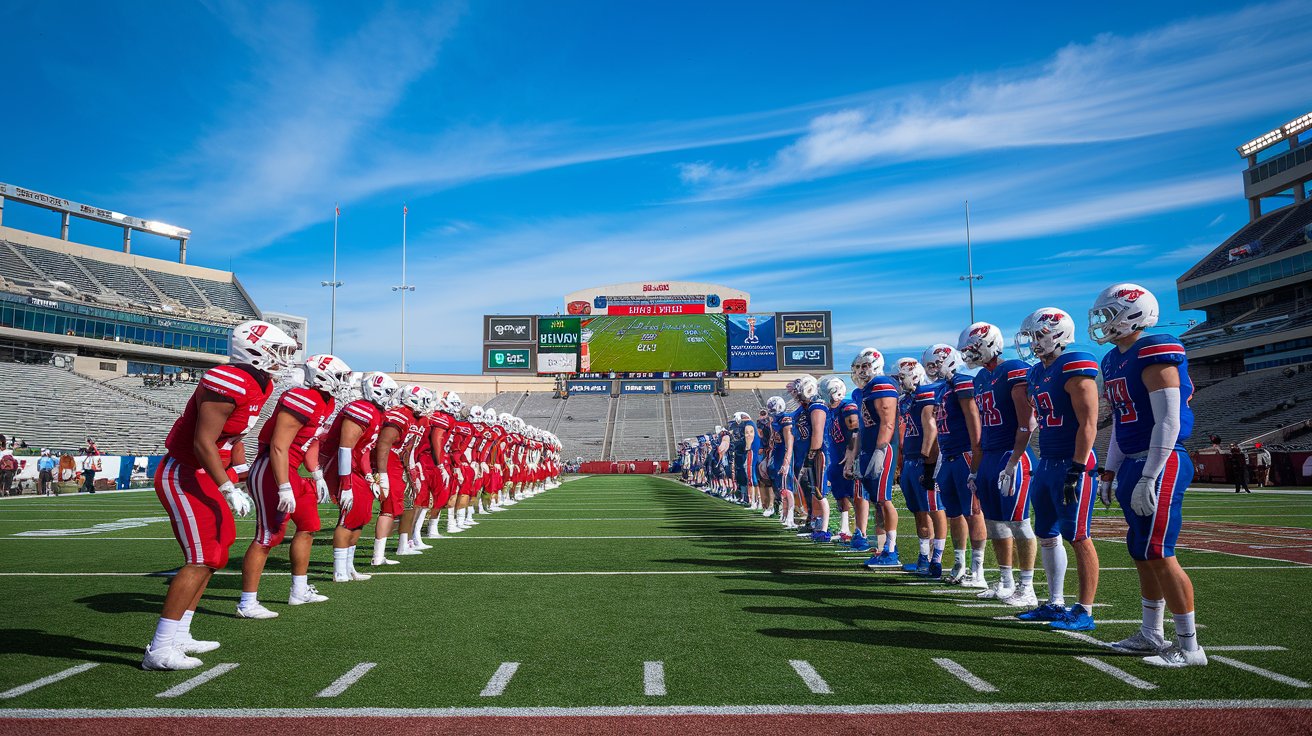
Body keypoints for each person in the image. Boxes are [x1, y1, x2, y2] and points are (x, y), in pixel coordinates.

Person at [142, 319, 297, 671]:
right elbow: (202, 442)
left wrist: (239, 475)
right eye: (280, 350)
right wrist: (227, 487)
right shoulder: (228, 380)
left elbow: (236, 435)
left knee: (217, 550)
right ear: (254, 349)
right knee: (201, 556)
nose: (284, 358)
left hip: (209, 472)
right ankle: (159, 648)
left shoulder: (262, 382)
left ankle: (180, 633)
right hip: (185, 472)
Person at [1090, 283, 1206, 667]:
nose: (1103, 322)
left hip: (1162, 458)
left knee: (1158, 550)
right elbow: (1125, 422)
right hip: (1135, 458)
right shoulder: (1111, 360)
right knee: (1141, 551)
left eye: (1109, 314)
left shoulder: (1155, 348)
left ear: (1133, 312)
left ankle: (1190, 648)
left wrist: (1149, 474)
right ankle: (1151, 633)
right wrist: (1110, 471)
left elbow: (1168, 420)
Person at [238, 354, 352, 619]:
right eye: (341, 376)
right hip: (273, 468)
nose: (344, 382)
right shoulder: (302, 397)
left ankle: (298, 590)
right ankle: (247, 603)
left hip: (293, 469)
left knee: (309, 525)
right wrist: (283, 486)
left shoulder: (326, 400)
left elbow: (310, 440)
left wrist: (317, 472)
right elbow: (279, 445)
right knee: (268, 536)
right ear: (323, 375)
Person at [1014, 308, 1101, 631]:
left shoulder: (1076, 363)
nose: (1034, 342)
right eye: (1032, 336)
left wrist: (1077, 468)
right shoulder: (1036, 373)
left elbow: (1088, 422)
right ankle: (1055, 601)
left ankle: (1085, 609)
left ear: (1058, 333)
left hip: (1070, 462)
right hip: (1047, 461)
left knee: (1078, 536)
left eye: (1039, 335)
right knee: (1047, 534)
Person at [959, 322, 1038, 607]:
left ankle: (1027, 587)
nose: (968, 354)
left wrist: (1014, 461)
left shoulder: (1013, 370)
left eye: (971, 348)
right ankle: (1006, 581)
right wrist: (976, 468)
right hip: (990, 454)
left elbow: (1026, 423)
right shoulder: (981, 377)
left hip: (1010, 454)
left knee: (1019, 522)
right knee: (995, 523)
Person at [322, 371, 398, 582]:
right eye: (389, 393)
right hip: (343, 470)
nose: (391, 398)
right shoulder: (361, 409)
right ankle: (339, 570)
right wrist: (346, 484)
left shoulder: (375, 412)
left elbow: (363, 450)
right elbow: (345, 449)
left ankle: (349, 566)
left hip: (357, 471)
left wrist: (368, 477)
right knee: (347, 518)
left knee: (360, 517)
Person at [923, 344, 985, 586]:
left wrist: (976, 457)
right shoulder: (942, 389)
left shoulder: (962, 382)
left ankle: (977, 570)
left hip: (964, 454)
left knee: (973, 512)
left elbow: (973, 420)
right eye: (930, 365)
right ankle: (959, 563)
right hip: (948, 456)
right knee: (954, 513)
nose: (933, 369)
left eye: (936, 363)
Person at [895, 358, 948, 577]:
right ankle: (924, 556)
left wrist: (928, 460)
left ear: (915, 375)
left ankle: (937, 559)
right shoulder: (905, 400)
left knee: (935, 508)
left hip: (924, 459)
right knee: (918, 510)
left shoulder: (926, 395)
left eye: (902, 377)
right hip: (909, 458)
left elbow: (931, 430)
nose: (899, 381)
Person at [852, 349, 901, 565]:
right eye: (859, 367)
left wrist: (881, 450)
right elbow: (864, 427)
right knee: (876, 502)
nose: (861, 371)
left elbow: (888, 422)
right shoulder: (866, 390)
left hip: (883, 449)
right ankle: (883, 548)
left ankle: (891, 549)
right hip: (869, 449)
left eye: (865, 366)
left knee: (884, 499)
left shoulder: (881, 384)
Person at [816, 375, 857, 543]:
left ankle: (861, 532)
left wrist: (851, 451)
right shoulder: (830, 410)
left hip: (848, 457)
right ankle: (844, 528)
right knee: (840, 494)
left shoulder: (847, 407)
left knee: (856, 496)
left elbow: (855, 430)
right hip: (835, 457)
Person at [765, 396, 796, 529]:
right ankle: (784, 514)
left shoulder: (785, 420)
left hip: (784, 455)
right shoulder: (775, 420)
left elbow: (789, 444)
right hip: (777, 455)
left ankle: (790, 516)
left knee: (787, 487)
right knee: (781, 487)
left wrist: (786, 462)